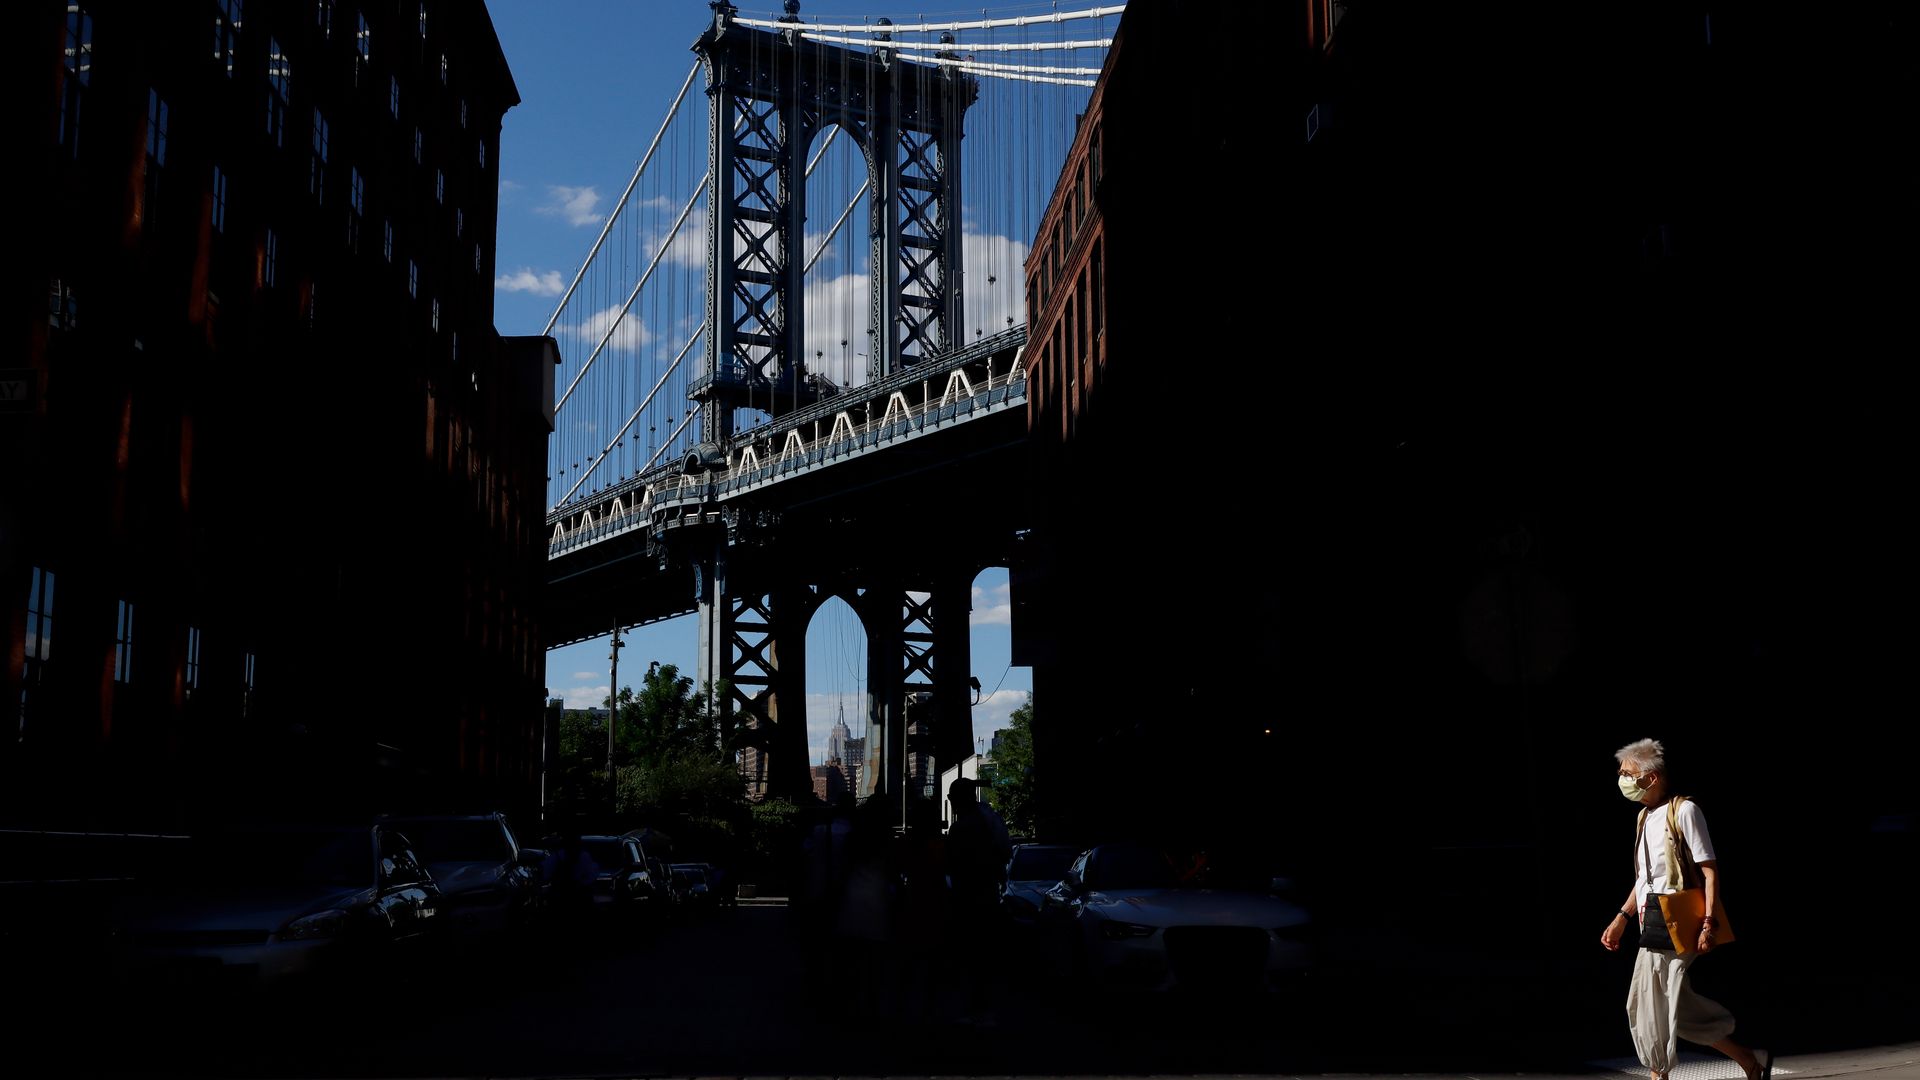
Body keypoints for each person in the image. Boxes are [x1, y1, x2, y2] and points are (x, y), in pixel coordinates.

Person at [1600, 738, 1770, 1080]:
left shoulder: (1685, 811)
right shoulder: (1643, 817)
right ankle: (1749, 1059)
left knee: (1653, 1006)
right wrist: (1622, 917)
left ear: (1651, 777)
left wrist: (1709, 923)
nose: (1623, 780)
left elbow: (1709, 870)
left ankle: (1658, 1073)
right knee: (1661, 1005)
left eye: (1627, 773)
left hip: (1680, 921)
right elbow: (1644, 879)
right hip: (1651, 922)